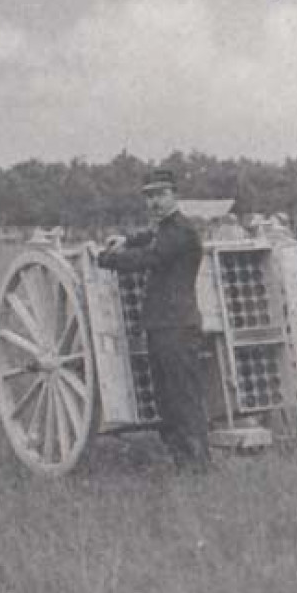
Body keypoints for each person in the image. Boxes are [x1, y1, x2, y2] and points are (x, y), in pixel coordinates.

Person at [97, 169, 212, 472]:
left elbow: (150, 257)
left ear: (175, 194)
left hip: (177, 327)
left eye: (160, 194)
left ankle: (199, 466)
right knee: (167, 400)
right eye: (149, 196)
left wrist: (109, 260)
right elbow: (149, 238)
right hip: (163, 327)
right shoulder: (167, 229)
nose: (154, 202)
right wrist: (125, 239)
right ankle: (183, 463)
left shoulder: (182, 232)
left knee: (183, 400)